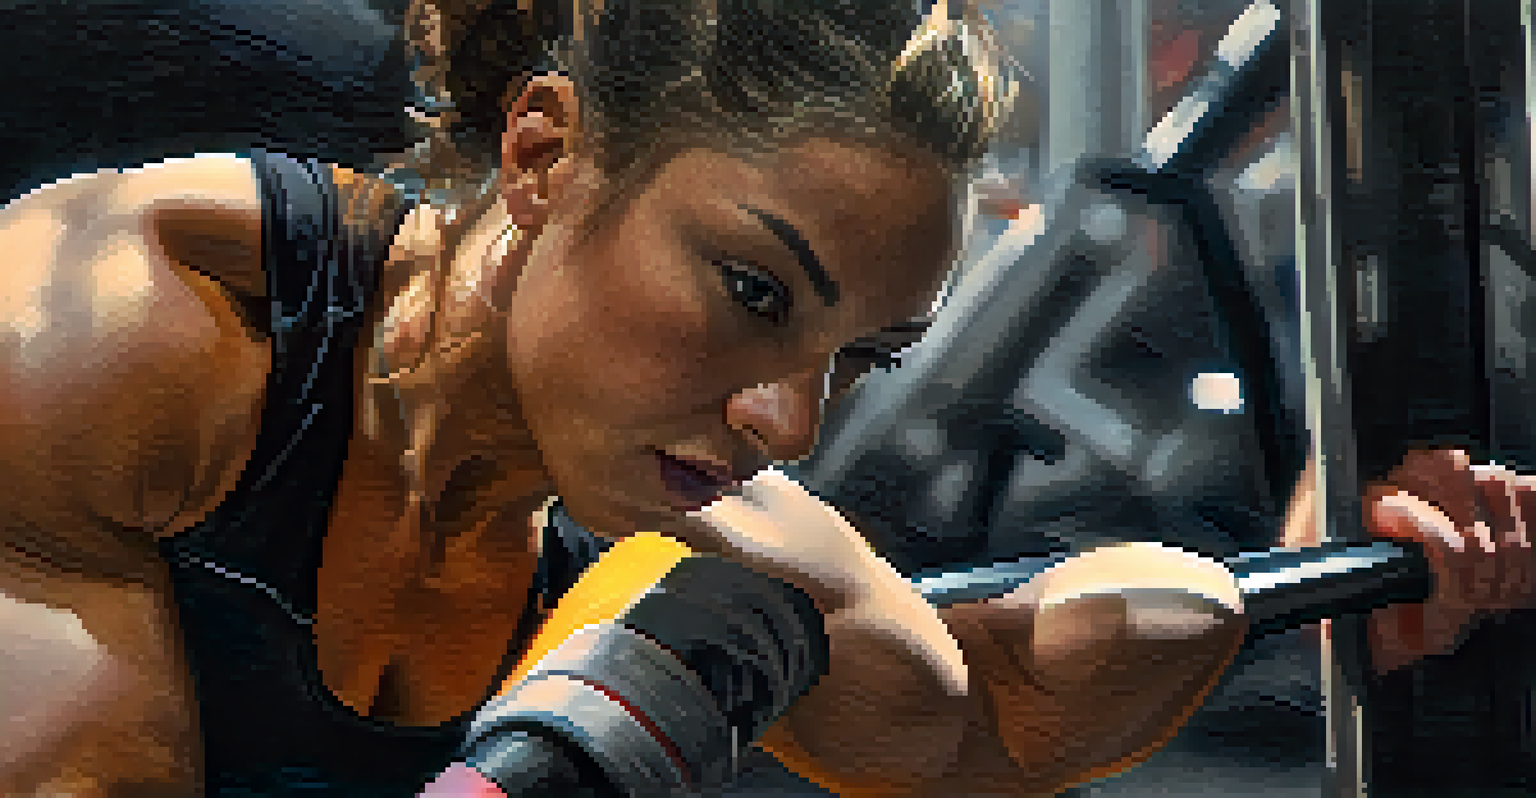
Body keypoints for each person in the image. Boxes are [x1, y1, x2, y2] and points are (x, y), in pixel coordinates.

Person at [0, 1, 1530, 797]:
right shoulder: (135, 334)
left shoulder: (681, 520)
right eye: (752, 290)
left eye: (859, 354)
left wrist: (1354, 559)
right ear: (543, 153)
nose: (789, 423)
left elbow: (995, 707)